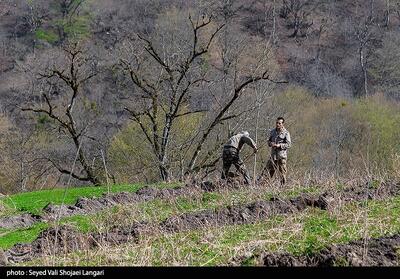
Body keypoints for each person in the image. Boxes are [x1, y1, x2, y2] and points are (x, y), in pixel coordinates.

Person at [263, 117, 291, 185]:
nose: (277, 124)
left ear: (282, 124)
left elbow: (289, 144)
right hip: (273, 156)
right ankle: (266, 185)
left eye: (279, 123)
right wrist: (270, 143)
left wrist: (279, 145)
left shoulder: (286, 133)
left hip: (281, 156)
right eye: (277, 123)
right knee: (269, 170)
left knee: (282, 172)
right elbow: (269, 141)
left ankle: (283, 187)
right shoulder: (272, 132)